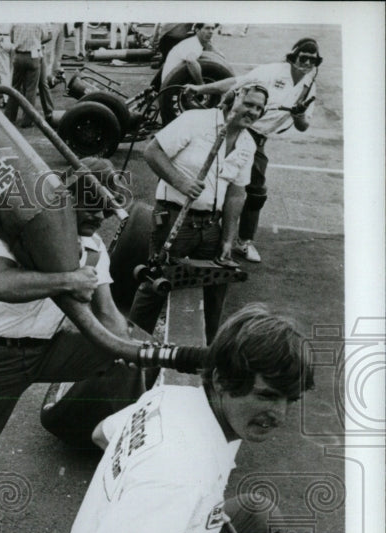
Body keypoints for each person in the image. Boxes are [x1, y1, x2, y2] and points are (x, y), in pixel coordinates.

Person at [65, 304, 314, 533]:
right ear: (221, 380)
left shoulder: (174, 397)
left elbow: (100, 435)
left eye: (291, 400)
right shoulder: (182, 469)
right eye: (267, 396)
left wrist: (156, 508)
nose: (280, 415)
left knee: (258, 515)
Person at [0, 159, 148, 533]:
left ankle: (127, 449)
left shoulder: (94, 249)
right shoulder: (18, 226)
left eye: (107, 211)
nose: (100, 218)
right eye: (93, 207)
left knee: (137, 354)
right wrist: (66, 280)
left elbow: (109, 314)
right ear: (69, 199)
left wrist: (132, 349)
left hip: (51, 348)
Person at [128, 83, 267, 342]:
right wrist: (181, 182)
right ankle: (129, 352)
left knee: (216, 287)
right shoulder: (195, 120)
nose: (254, 111)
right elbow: (152, 152)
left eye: (260, 108)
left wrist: (228, 238)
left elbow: (237, 194)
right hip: (174, 219)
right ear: (233, 98)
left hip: (211, 227)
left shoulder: (248, 143)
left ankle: (204, 356)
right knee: (156, 284)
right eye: (249, 104)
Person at [186, 38, 321, 264]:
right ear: (293, 57)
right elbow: (236, 83)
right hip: (242, 128)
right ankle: (201, 232)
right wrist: (201, 88)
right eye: (303, 58)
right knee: (217, 179)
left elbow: (304, 125)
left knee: (253, 192)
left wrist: (298, 114)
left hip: (260, 138)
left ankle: (242, 240)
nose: (306, 63)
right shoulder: (271, 72)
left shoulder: (309, 86)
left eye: (312, 60)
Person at [3, 24, 50, 128]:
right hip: (33, 56)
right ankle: (27, 120)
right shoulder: (38, 21)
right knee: (31, 90)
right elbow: (44, 37)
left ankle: (10, 116)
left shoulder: (16, 22)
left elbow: (11, 39)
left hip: (18, 56)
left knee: (14, 87)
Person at [157, 23, 217, 88]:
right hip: (171, 85)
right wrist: (201, 85)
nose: (211, 32)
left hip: (173, 80)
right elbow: (190, 61)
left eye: (212, 28)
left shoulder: (195, 41)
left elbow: (214, 52)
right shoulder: (193, 44)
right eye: (207, 28)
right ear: (197, 30)